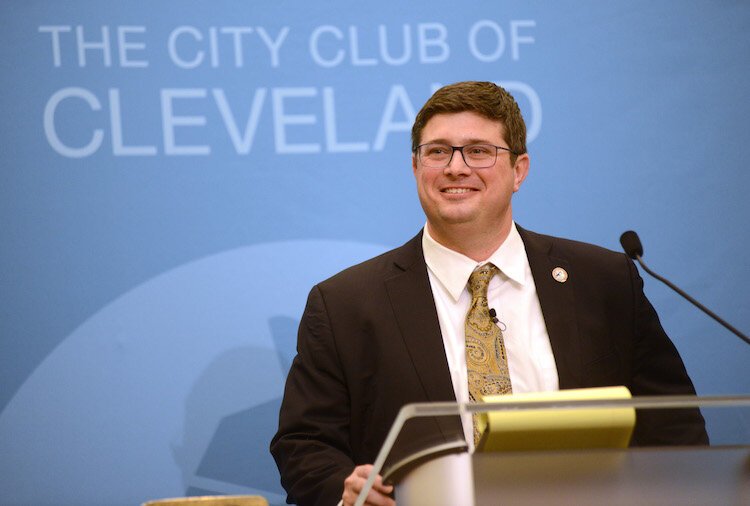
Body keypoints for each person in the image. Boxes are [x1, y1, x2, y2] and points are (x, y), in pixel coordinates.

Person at [270, 81, 708, 506]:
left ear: (519, 170)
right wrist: (342, 491)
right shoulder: (346, 303)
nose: (455, 167)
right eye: (437, 151)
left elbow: (672, 424)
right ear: (416, 167)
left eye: (479, 151)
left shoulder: (603, 280)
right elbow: (304, 444)